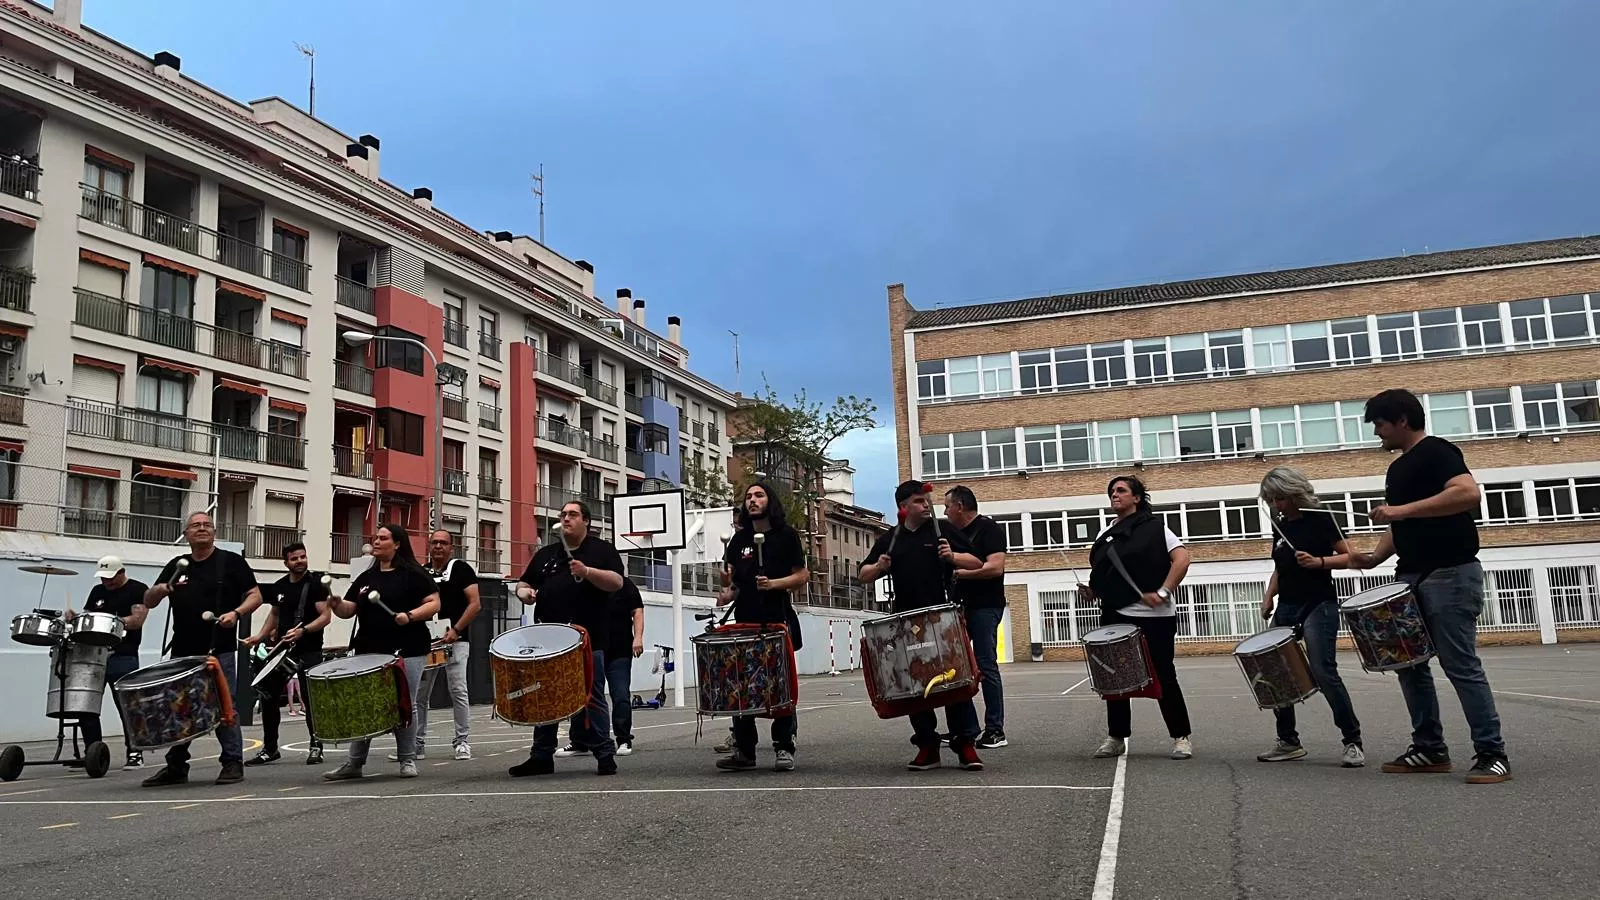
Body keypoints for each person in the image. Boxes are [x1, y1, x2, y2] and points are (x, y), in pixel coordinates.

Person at [1351, 388, 1511, 784]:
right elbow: (1399, 525)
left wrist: (1400, 510)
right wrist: (1373, 558)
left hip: (1450, 573)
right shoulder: (1397, 468)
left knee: (1460, 665)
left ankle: (1492, 753)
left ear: (1402, 420)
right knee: (1409, 664)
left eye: (1380, 424)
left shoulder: (1438, 451)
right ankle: (1429, 748)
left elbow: (1468, 493)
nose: (1377, 433)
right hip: (1410, 576)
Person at [859, 480, 987, 772]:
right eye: (918, 501)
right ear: (903, 507)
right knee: (915, 684)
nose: (925, 505)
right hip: (904, 621)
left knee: (954, 680)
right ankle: (928, 745)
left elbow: (976, 562)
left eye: (926, 500)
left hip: (942, 620)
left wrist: (952, 557)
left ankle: (965, 743)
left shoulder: (942, 531)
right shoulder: (891, 538)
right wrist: (879, 566)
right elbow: (863, 574)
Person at [140, 511, 262, 787]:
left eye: (207, 525)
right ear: (186, 534)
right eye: (196, 525)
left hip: (218, 650)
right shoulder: (177, 565)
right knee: (180, 708)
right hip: (183, 649)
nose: (202, 528)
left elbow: (256, 595)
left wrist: (236, 613)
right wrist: (160, 589)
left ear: (214, 532)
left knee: (224, 706)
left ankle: (232, 762)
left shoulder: (230, 562)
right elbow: (149, 600)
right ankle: (176, 766)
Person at [1255, 467, 1364, 767]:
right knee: (1276, 672)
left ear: (1293, 493)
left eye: (1279, 498)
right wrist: (1268, 597)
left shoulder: (1321, 519)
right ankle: (1288, 741)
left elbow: (1350, 556)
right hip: (1287, 605)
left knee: (1323, 670)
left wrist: (1319, 562)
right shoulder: (1279, 527)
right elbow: (1280, 567)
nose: (1275, 504)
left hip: (1319, 603)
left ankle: (1352, 741)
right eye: (1270, 499)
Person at [508, 501, 625, 777]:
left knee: (591, 696)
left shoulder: (601, 551)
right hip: (548, 640)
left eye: (572, 514)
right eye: (563, 514)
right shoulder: (547, 554)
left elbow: (616, 582)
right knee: (545, 695)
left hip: (588, 638)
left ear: (587, 521)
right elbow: (524, 584)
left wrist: (587, 572)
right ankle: (541, 756)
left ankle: (604, 754)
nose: (566, 518)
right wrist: (524, 593)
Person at [1082, 476, 1195, 761]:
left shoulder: (1156, 528)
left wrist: (1164, 590)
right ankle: (1116, 737)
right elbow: (1107, 575)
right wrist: (1092, 591)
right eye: (1111, 491)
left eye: (1121, 491)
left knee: (1164, 674)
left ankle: (1181, 737)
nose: (1114, 495)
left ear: (1137, 498)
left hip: (1153, 616)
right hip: (1115, 613)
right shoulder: (1105, 534)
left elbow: (1182, 560)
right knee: (1115, 677)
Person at [323, 523, 441, 781]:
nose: (376, 541)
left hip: (407, 648)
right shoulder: (367, 578)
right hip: (369, 647)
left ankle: (407, 759)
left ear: (397, 544)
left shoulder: (412, 573)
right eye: (375, 538)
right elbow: (348, 611)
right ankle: (354, 763)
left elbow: (434, 603)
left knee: (404, 703)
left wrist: (409, 616)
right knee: (364, 703)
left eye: (382, 538)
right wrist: (336, 604)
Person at [714, 482, 808, 773]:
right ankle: (744, 750)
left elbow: (802, 575)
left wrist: (774, 584)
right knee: (740, 687)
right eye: (748, 497)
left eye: (758, 495)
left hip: (776, 620)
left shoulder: (786, 536)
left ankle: (784, 746)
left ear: (770, 500)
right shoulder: (738, 540)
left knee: (778, 686)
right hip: (743, 623)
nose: (752, 501)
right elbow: (732, 586)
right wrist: (726, 589)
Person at [243, 542, 332, 767]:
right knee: (269, 697)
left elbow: (326, 617)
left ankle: (316, 746)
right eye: (295, 558)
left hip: (309, 649)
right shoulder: (279, 586)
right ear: (286, 563)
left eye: (303, 557)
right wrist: (260, 636)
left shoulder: (316, 584)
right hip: (283, 652)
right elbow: (274, 614)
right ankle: (270, 748)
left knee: (311, 701)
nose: (300, 561)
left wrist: (303, 630)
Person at [404, 531, 480, 762]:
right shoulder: (422, 572)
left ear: (451, 547)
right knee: (420, 694)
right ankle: (416, 743)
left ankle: (462, 741)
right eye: (434, 542)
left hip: (456, 639)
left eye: (443, 543)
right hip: (428, 642)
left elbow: (475, 604)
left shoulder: (461, 569)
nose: (438, 546)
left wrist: (456, 630)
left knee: (458, 689)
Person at [66, 555, 148, 769]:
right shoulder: (97, 591)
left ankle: (135, 752)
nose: (107, 582)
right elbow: (89, 617)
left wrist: (111, 621)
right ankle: (93, 752)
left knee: (127, 706)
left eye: (111, 577)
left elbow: (137, 621)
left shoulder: (137, 589)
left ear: (122, 573)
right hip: (93, 655)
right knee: (86, 705)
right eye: (104, 578)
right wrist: (76, 619)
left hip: (123, 655)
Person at [943, 485, 1009, 749]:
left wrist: (960, 573)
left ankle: (995, 730)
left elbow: (995, 567)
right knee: (954, 667)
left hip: (985, 606)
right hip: (959, 607)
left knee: (985, 665)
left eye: (947, 506)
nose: (945, 511)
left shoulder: (988, 529)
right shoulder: (953, 534)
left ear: (960, 506)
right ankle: (965, 728)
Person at [559, 576, 645, 758]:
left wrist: (638, 637)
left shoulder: (624, 584)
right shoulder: (583, 583)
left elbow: (637, 611)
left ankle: (623, 738)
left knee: (620, 694)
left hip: (619, 649)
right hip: (591, 648)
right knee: (584, 694)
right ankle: (580, 742)